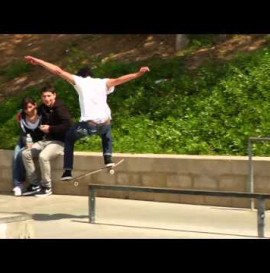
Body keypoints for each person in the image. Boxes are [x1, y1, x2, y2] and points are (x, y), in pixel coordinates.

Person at [25, 55, 150, 180]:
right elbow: (119, 79)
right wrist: (138, 74)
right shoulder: (103, 82)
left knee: (69, 137)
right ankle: (108, 157)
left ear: (80, 76)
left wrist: (40, 61)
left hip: (90, 126)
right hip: (105, 125)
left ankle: (67, 171)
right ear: (91, 75)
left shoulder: (80, 82)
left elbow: (58, 71)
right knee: (106, 130)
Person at [22, 84, 73, 197]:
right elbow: (31, 111)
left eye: (49, 96)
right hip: (45, 141)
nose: (46, 99)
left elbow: (68, 125)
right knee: (26, 154)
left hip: (60, 142)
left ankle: (46, 187)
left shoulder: (61, 108)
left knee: (43, 156)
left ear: (54, 95)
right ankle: (35, 185)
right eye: (44, 96)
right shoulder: (43, 108)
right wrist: (20, 114)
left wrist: (50, 128)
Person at [12, 97, 44, 196]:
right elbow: (23, 133)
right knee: (16, 154)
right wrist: (26, 141)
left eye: (30, 107)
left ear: (35, 105)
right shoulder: (22, 117)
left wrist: (33, 143)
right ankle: (19, 184)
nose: (28, 110)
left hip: (38, 141)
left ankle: (29, 183)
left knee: (21, 154)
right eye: (25, 108)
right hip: (25, 140)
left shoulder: (42, 115)